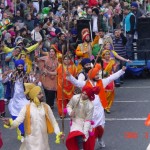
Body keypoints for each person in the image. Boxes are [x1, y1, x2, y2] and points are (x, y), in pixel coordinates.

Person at [66, 63, 126, 148]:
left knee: (101, 128)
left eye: (98, 74)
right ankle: (91, 144)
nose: (98, 76)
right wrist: (69, 76)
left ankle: (100, 138)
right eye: (96, 74)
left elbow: (111, 77)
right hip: (89, 110)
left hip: (100, 110)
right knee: (91, 129)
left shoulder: (102, 82)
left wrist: (121, 71)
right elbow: (76, 82)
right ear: (92, 75)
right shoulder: (85, 83)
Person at [2, 83, 63, 150]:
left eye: (42, 93)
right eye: (39, 94)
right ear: (34, 96)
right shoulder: (27, 107)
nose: (42, 95)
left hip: (43, 141)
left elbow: (54, 122)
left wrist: (58, 133)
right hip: (30, 142)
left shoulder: (46, 107)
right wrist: (10, 123)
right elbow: (18, 121)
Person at [66, 85, 100, 150]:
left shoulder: (90, 106)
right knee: (77, 134)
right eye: (83, 93)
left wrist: (85, 134)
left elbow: (88, 120)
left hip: (85, 122)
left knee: (84, 139)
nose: (83, 95)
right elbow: (69, 106)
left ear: (89, 96)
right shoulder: (75, 98)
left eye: (86, 94)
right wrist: (70, 112)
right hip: (75, 120)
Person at [2, 59, 29, 141]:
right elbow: (3, 81)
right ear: (16, 67)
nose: (20, 68)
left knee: (24, 117)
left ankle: (24, 132)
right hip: (15, 99)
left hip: (23, 99)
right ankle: (21, 132)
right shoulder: (12, 75)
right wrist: (5, 74)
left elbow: (31, 84)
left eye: (21, 66)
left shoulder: (26, 75)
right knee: (15, 116)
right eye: (19, 66)